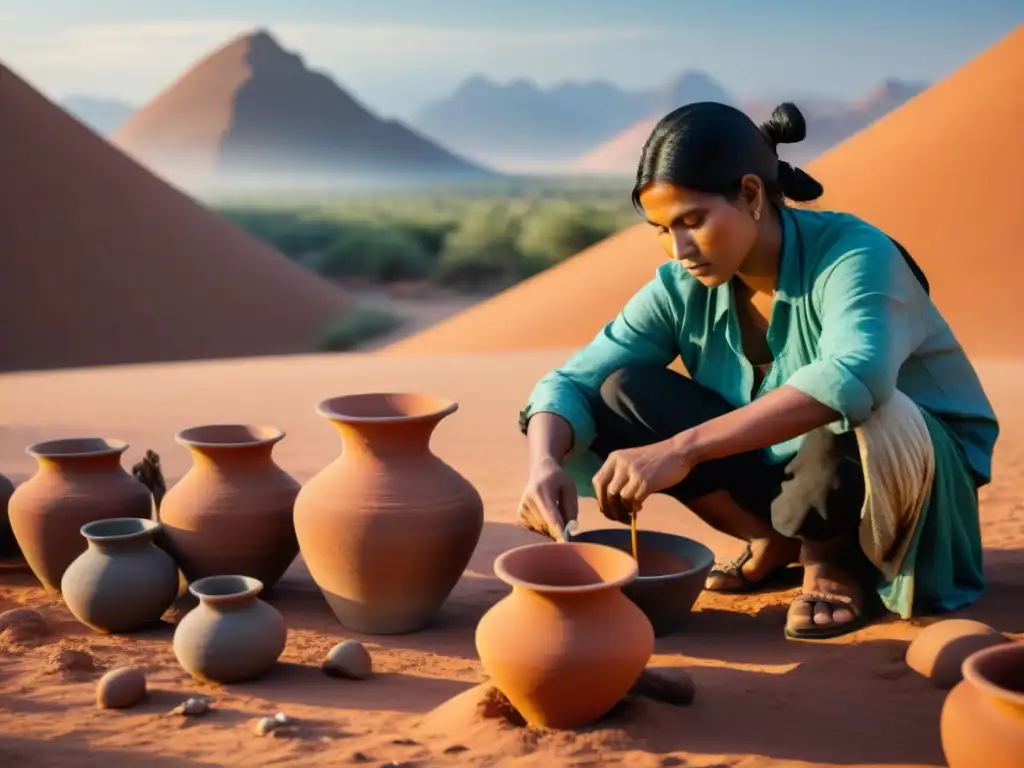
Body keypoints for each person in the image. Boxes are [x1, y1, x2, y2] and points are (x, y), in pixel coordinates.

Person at [515, 101, 999, 640]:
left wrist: (679, 450)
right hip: (787, 469)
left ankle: (830, 560)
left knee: (857, 404)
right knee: (620, 389)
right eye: (661, 229)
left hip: (904, 473)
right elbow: (570, 381)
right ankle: (773, 537)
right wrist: (543, 463)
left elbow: (854, 374)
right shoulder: (683, 285)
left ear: (750, 193)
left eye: (692, 221)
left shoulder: (855, 254)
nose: (679, 249)